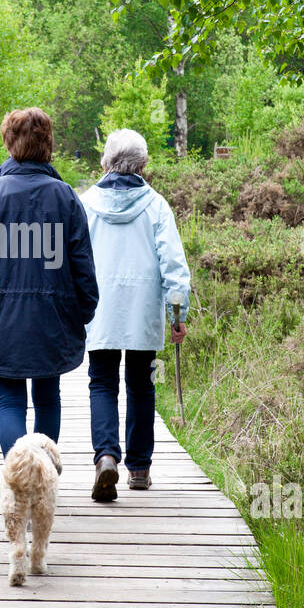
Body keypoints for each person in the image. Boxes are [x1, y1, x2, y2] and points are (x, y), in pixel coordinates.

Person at [0, 107, 99, 457]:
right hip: (54, 318)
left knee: (11, 400)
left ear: (9, 142)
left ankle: (18, 477)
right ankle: (43, 474)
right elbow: (82, 264)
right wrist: (85, 309)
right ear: (48, 144)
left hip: (2, 319)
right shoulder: (65, 197)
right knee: (48, 398)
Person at [81, 128, 191, 502]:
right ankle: (140, 470)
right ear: (144, 165)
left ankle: (106, 457)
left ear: (104, 163)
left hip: (101, 307)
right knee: (141, 384)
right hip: (143, 308)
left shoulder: (85, 203)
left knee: (102, 382)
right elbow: (173, 264)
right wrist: (178, 313)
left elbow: (74, 260)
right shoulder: (157, 205)